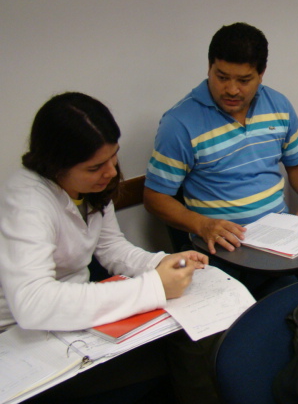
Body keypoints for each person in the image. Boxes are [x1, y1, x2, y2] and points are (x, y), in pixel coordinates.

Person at [143, 22, 298, 299]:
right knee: (290, 298)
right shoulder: (179, 123)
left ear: (261, 74)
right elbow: (155, 197)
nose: (231, 89)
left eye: (244, 80)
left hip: (282, 231)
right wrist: (202, 225)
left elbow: (297, 162)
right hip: (228, 245)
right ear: (209, 68)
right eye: (222, 77)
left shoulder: (278, 105)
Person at [0, 92, 218, 404]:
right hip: (22, 340)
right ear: (55, 165)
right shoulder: (26, 201)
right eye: (95, 167)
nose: (112, 172)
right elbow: (33, 304)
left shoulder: (88, 186)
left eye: (114, 156)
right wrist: (153, 287)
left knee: (191, 337)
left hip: (76, 322)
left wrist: (161, 264)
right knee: (178, 355)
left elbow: (112, 247)